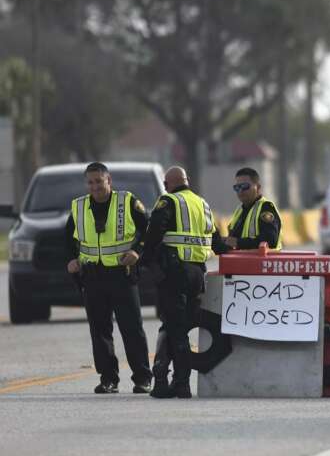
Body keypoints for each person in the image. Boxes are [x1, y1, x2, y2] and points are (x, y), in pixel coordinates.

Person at [65, 162, 153, 394]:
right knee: (99, 330)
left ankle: (143, 377)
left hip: (122, 276)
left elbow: (148, 231)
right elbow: (68, 240)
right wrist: (72, 260)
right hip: (93, 277)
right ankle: (108, 379)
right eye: (90, 182)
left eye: (99, 181)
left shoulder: (127, 202)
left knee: (132, 328)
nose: (95, 186)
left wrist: (137, 252)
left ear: (109, 181)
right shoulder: (78, 206)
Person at [142, 166, 216, 399]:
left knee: (174, 329)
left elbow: (153, 234)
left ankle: (175, 382)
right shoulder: (202, 204)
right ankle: (171, 381)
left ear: (170, 183)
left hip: (174, 273)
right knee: (180, 327)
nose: (164, 187)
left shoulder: (168, 201)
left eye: (165, 183)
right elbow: (217, 239)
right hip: (197, 274)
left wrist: (145, 262)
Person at [224, 167, 282, 251]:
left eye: (245, 186)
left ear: (258, 187)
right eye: (237, 187)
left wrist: (238, 242)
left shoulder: (266, 208)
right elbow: (233, 240)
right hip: (243, 262)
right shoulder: (239, 210)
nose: (240, 191)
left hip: (263, 263)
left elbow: (271, 241)